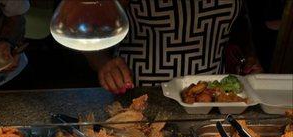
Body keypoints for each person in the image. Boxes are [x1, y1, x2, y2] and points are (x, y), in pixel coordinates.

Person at [85, 0, 262, 94]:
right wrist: (104, 63)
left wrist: (249, 57)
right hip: (141, 94)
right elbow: (87, 29)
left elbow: (241, 22)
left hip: (215, 96)